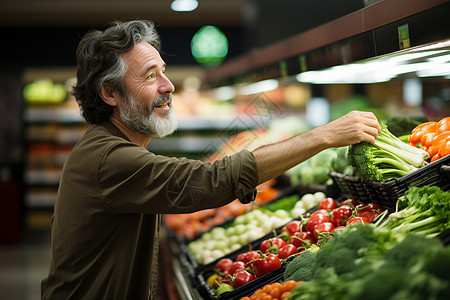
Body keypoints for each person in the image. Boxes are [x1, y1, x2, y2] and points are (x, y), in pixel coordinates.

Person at [41, 19, 380, 300]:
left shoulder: (108, 147)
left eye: (164, 71)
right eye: (149, 76)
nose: (169, 85)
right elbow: (208, 182)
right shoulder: (109, 159)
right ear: (110, 93)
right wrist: (322, 136)